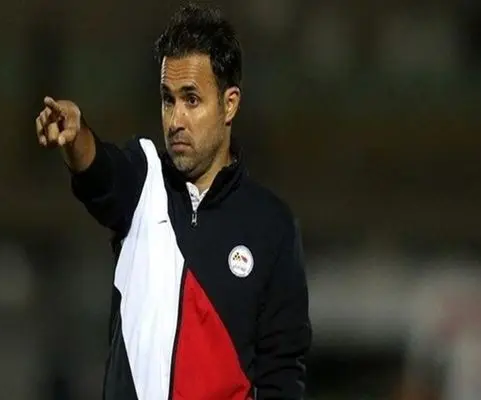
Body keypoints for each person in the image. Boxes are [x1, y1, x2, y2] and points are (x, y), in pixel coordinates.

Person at [35, 4, 311, 399]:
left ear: (230, 104)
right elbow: (99, 172)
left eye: (191, 100)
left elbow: (281, 373)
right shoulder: (144, 180)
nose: (175, 120)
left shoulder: (272, 226)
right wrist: (75, 138)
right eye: (168, 99)